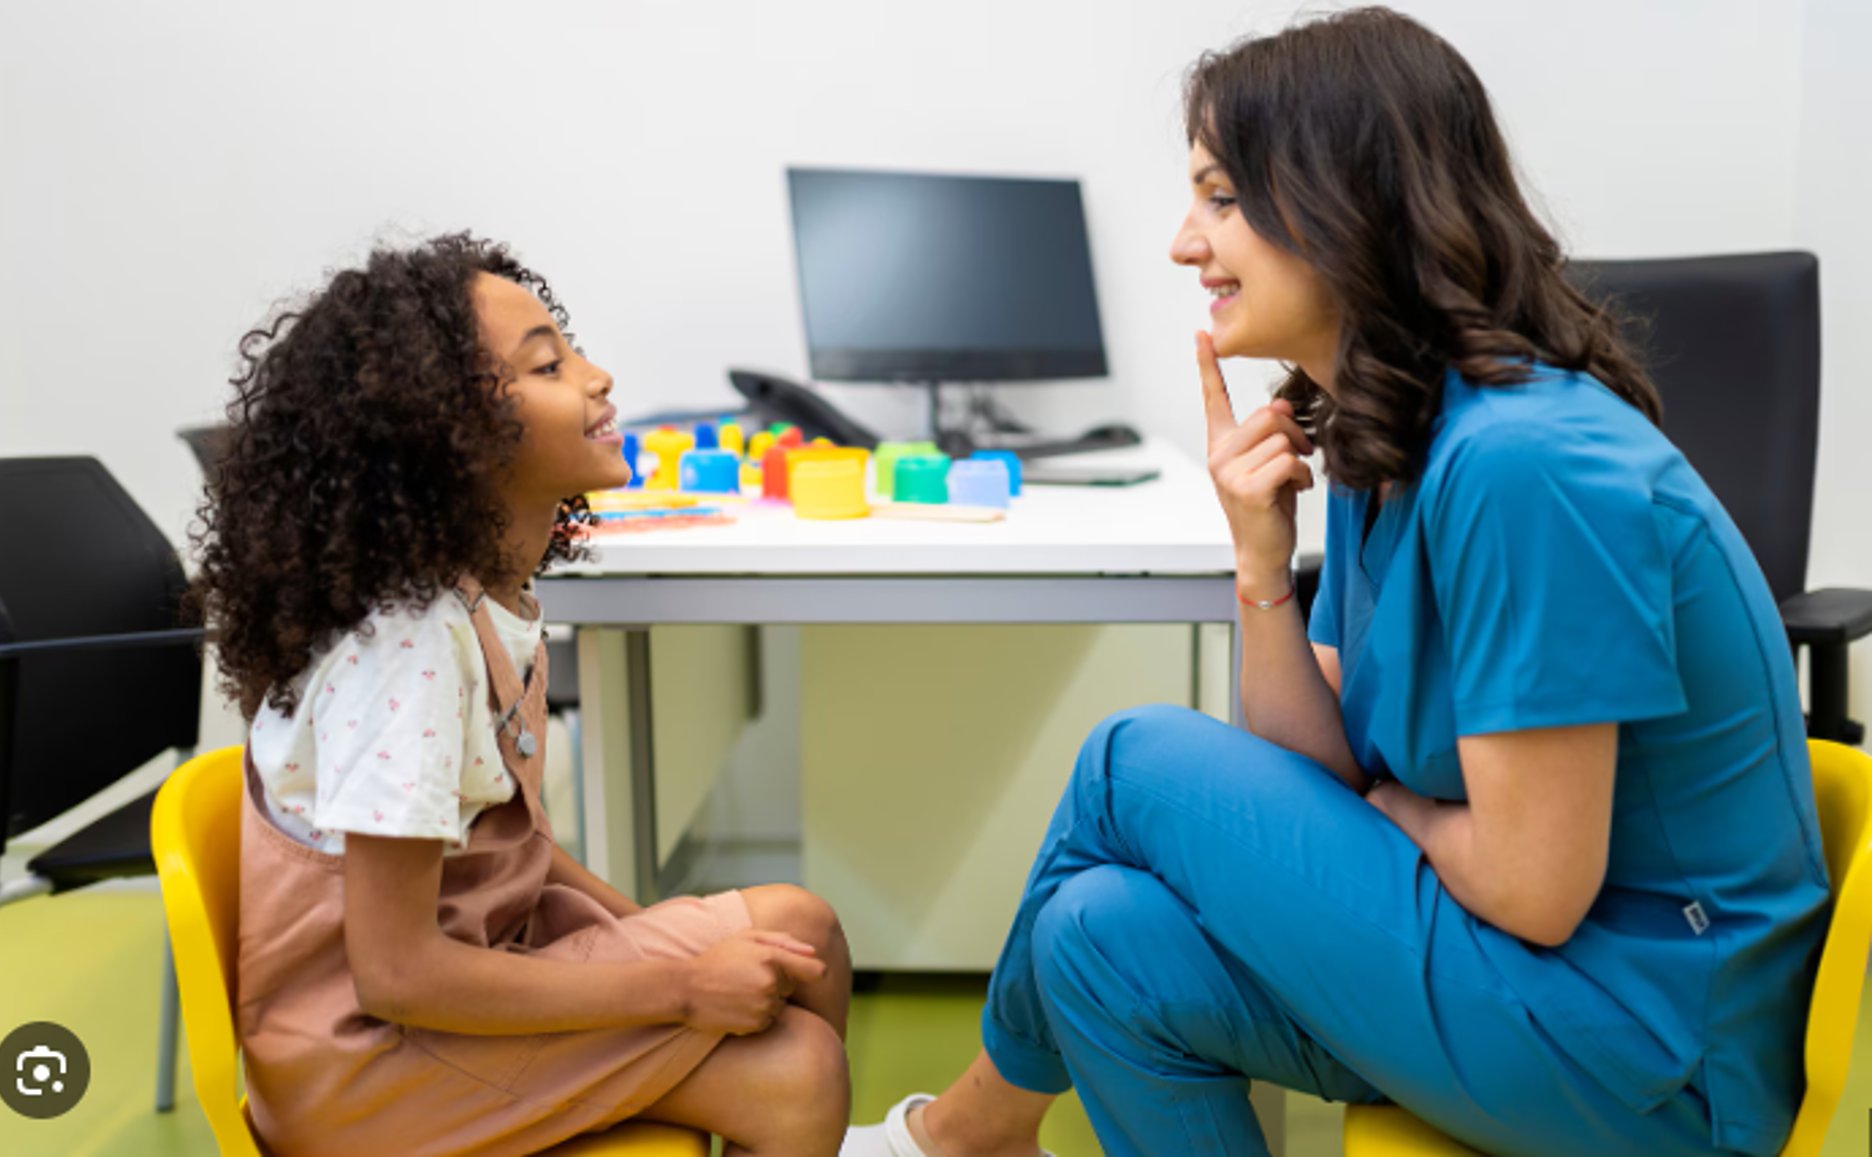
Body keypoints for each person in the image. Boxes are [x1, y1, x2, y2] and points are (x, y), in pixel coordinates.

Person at [844, 9, 1828, 1156]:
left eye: (1220, 198)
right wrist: (1263, 566)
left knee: (1129, 758)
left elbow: (1533, 885)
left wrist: (1388, 809)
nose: (1182, 241)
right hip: (1524, 979)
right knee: (1094, 935)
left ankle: (960, 1138)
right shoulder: (1391, 430)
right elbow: (1316, 761)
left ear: (1339, 201)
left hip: (1649, 1052)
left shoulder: (1524, 463)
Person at [193, 233, 851, 1156]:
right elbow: (393, 973)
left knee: (802, 930)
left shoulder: (486, 593)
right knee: (800, 1074)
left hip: (468, 969)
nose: (597, 375)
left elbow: (520, 848)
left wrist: (667, 940)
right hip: (369, 1065)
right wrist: (678, 985)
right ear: (448, 439)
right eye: (549, 364)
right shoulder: (409, 654)